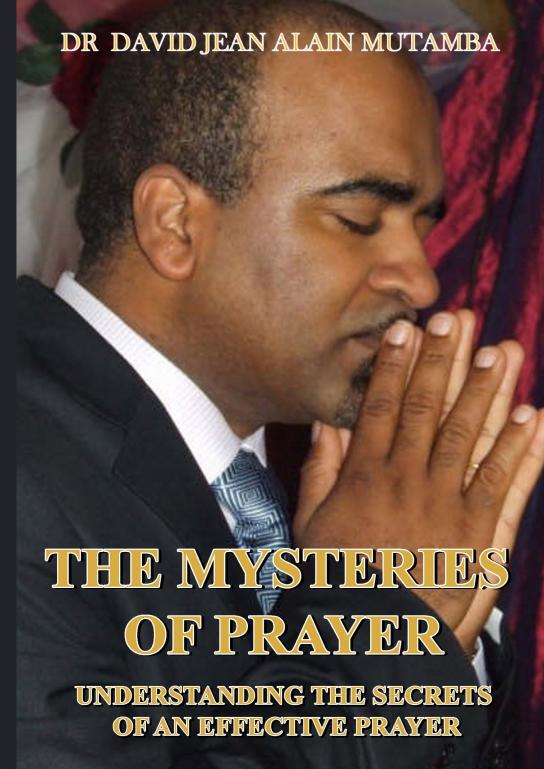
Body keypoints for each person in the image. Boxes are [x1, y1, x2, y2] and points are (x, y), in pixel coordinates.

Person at [17, 1, 544, 768]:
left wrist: (446, 625)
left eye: (424, 227)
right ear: (175, 223)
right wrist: (387, 621)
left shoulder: (301, 492)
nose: (422, 281)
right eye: (359, 219)